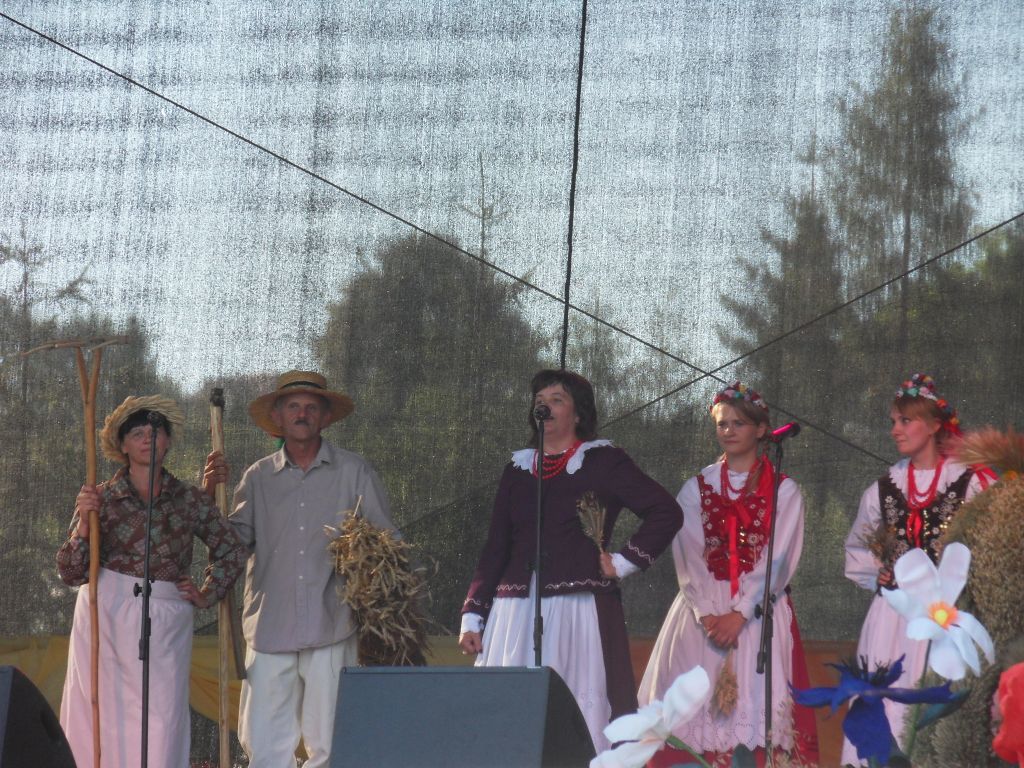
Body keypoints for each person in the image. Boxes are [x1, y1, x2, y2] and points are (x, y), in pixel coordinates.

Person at [458, 369, 682, 752]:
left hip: (577, 608)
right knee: (511, 716)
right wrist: (473, 614)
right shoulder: (518, 469)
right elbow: (496, 546)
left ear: (578, 414)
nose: (544, 406)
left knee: (574, 710)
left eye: (557, 399)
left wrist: (624, 561)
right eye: (539, 400)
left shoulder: (603, 461)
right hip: (515, 611)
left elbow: (666, 511)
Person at [56, 395, 248, 768]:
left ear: (169, 441)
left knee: (161, 716)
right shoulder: (101, 497)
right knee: (100, 712)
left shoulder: (189, 499)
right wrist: (83, 526)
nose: (148, 439)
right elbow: (70, 572)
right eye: (138, 433)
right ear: (123, 446)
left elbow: (232, 549)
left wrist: (207, 594)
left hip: (166, 615)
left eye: (156, 432)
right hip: (104, 612)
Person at [638, 381, 817, 768]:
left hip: (757, 614)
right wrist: (707, 613)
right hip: (702, 616)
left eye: (738, 423)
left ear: (761, 429)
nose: (729, 431)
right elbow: (688, 553)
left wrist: (741, 611)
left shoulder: (784, 491)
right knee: (694, 710)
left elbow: (778, 558)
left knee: (758, 709)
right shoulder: (695, 487)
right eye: (722, 423)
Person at [230, 370, 397, 768]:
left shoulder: (354, 472)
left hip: (334, 620)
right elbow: (231, 544)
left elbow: (385, 543)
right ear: (278, 417)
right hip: (270, 625)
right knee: (265, 747)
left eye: (310, 407)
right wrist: (207, 497)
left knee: (333, 744)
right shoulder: (257, 477)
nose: (302, 414)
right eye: (293, 406)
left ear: (325, 417)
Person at [841, 373, 995, 765]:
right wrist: (876, 573)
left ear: (934, 425)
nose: (895, 429)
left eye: (905, 420)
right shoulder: (883, 489)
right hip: (893, 619)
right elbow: (857, 548)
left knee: (938, 710)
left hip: (947, 617)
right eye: (893, 421)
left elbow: (991, 541)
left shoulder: (970, 483)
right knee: (888, 709)